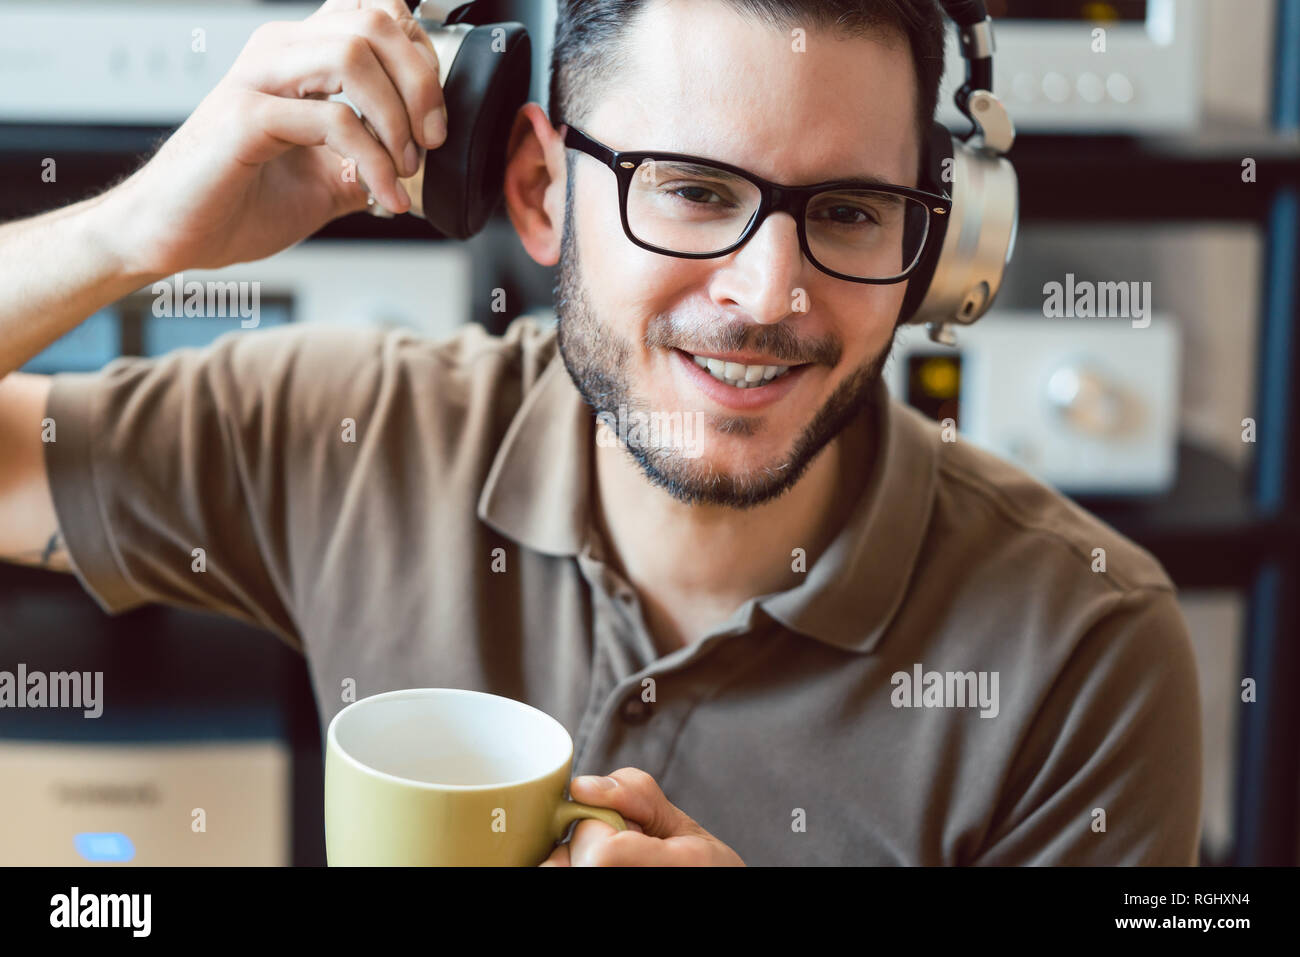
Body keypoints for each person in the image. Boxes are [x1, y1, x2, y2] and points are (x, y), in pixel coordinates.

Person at [0, 0, 1201, 865]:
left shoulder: (1087, 653)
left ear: (928, 251)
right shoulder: (356, 435)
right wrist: (133, 237)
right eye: (693, 189)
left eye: (846, 210)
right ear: (538, 193)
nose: (767, 294)